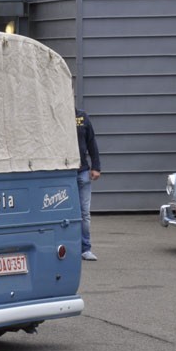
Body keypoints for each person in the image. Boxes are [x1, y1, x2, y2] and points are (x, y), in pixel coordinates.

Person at [76, 108, 102, 261]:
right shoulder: (56, 116)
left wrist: (96, 167)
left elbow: (91, 142)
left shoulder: (82, 117)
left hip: (82, 172)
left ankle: (85, 248)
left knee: (84, 213)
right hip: (63, 173)